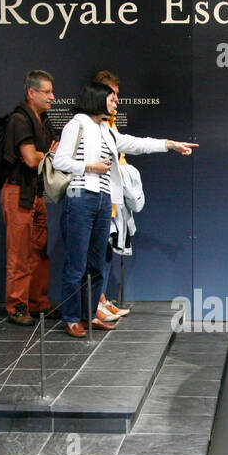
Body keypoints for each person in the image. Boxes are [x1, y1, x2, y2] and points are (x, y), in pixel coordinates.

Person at [52, 82, 196, 338]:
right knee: (77, 263)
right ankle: (72, 318)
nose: (116, 101)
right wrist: (90, 167)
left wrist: (169, 144)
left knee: (97, 263)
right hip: (80, 197)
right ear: (97, 98)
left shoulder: (106, 129)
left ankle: (90, 315)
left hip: (104, 199)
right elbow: (60, 160)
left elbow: (135, 143)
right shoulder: (77, 124)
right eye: (112, 98)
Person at [2, 70, 57, 326]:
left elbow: (46, 154)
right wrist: (47, 154)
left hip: (35, 192)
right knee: (19, 252)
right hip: (17, 192)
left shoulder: (43, 120)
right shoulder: (19, 119)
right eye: (47, 92)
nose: (52, 97)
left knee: (38, 251)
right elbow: (31, 158)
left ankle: (37, 303)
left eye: (52, 92)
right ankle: (17, 305)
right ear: (31, 92)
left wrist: (44, 154)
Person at [90, 70, 129, 324]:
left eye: (117, 94)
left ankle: (101, 300)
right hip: (93, 198)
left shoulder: (109, 123)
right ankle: (93, 306)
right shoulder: (86, 124)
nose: (116, 99)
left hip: (111, 200)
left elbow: (127, 146)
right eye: (111, 94)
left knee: (105, 252)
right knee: (94, 254)